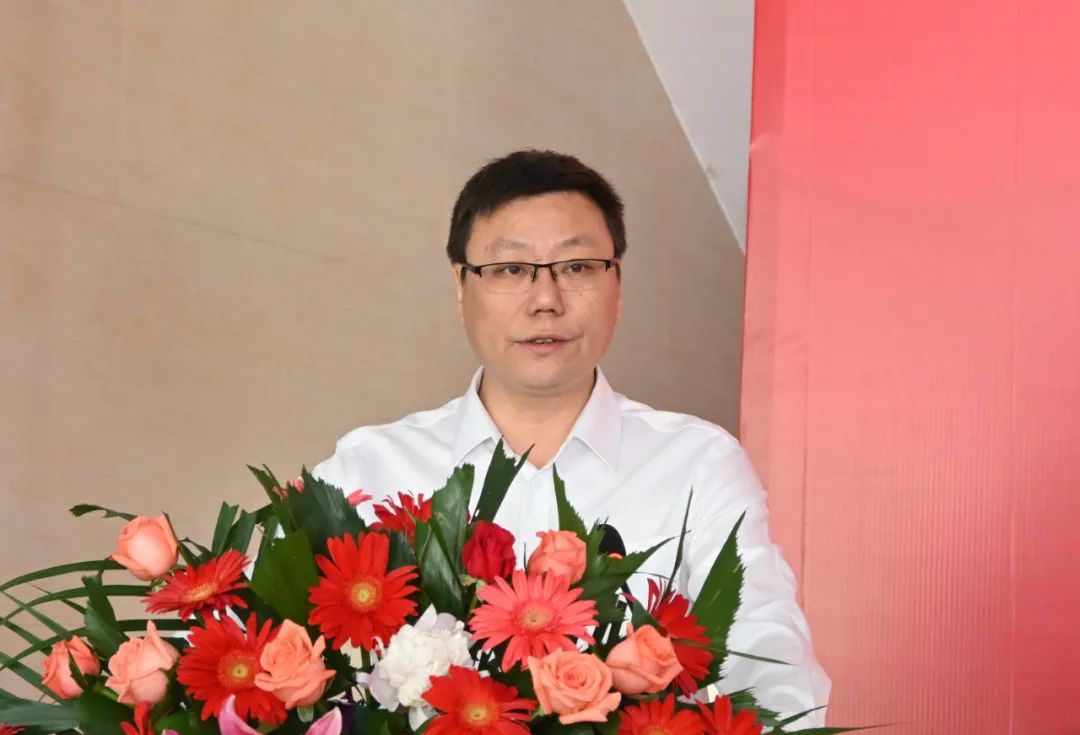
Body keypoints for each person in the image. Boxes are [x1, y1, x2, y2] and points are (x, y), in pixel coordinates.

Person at [314, 149, 830, 723]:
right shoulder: (366, 472)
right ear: (461, 286)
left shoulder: (697, 466)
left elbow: (770, 662)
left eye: (578, 267)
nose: (546, 300)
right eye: (510, 269)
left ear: (617, 285)